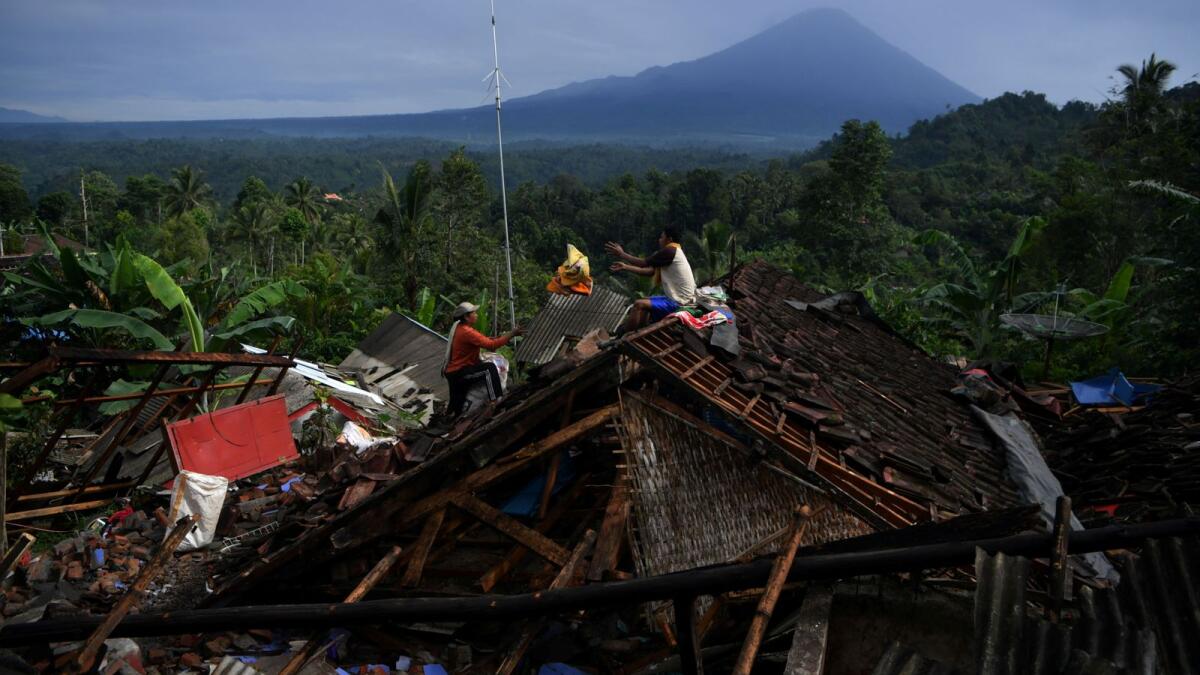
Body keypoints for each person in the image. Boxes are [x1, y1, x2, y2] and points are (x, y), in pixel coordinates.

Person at [606, 226, 697, 333]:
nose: (659, 240)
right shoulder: (674, 252)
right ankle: (642, 330)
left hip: (679, 302)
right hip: (679, 298)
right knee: (646, 300)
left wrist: (622, 254)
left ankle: (623, 337)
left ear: (669, 239)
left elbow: (643, 263)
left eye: (662, 237)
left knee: (639, 304)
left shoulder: (670, 251)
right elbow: (650, 272)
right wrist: (626, 267)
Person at [442, 302, 523, 417]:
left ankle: (449, 419)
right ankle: (495, 401)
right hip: (460, 372)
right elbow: (492, 346)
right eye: (474, 313)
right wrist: (512, 334)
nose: (477, 315)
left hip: (453, 372)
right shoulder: (467, 332)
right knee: (489, 369)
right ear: (466, 316)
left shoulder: (459, 328)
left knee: (457, 402)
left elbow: (478, 341)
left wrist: (490, 339)